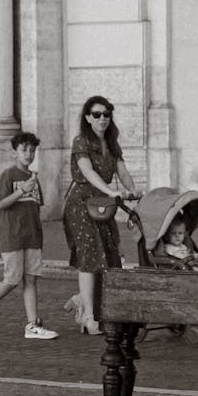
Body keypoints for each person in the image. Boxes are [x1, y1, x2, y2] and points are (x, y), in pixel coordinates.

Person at [0, 131, 57, 340]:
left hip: (32, 236)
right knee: (12, 279)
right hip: (11, 235)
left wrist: (38, 232)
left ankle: (32, 325)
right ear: (14, 152)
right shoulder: (8, 175)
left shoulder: (33, 177)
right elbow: (1, 204)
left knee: (31, 279)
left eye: (32, 150)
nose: (29, 154)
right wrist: (22, 191)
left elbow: (36, 207)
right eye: (24, 149)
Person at [62, 96, 137, 334]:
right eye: (96, 115)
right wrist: (111, 191)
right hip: (82, 204)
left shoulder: (112, 143)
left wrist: (132, 190)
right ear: (87, 118)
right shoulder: (81, 141)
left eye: (106, 114)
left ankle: (81, 299)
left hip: (103, 205)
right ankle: (89, 318)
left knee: (107, 253)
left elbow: (122, 172)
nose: (102, 119)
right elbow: (87, 171)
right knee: (89, 255)